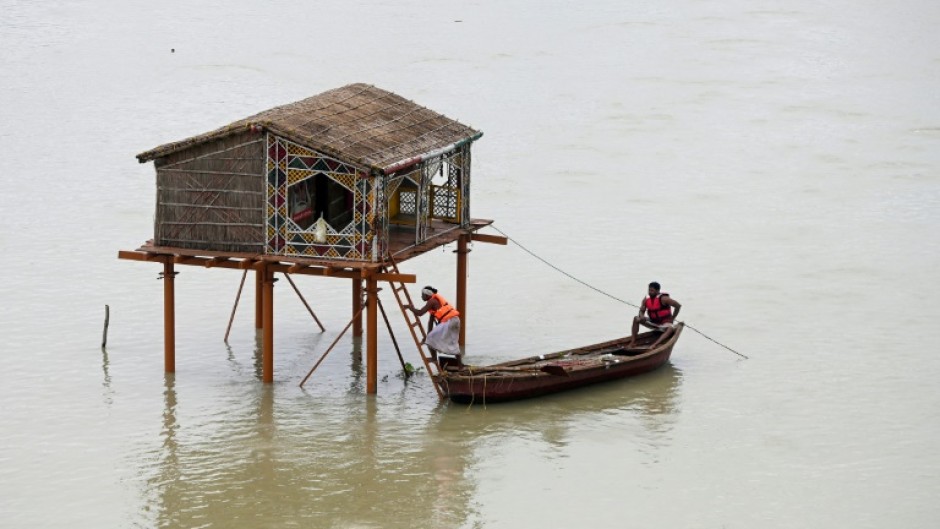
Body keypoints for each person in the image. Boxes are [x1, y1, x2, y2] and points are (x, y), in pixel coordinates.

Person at [407, 286, 462, 365]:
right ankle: (460, 365)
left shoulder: (431, 301)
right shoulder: (434, 303)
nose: (421, 296)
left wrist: (410, 308)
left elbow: (420, 313)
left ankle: (434, 358)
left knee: (430, 339)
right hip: (455, 320)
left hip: (449, 322)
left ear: (427, 295)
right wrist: (428, 335)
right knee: (453, 342)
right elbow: (430, 322)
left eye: (422, 295)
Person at [629, 282, 681, 347]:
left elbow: (678, 306)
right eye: (649, 290)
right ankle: (633, 342)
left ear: (657, 291)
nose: (650, 292)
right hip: (653, 322)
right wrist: (642, 316)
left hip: (664, 324)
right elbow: (641, 311)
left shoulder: (664, 299)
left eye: (652, 290)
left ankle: (655, 344)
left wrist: (673, 318)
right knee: (636, 318)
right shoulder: (646, 299)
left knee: (670, 328)